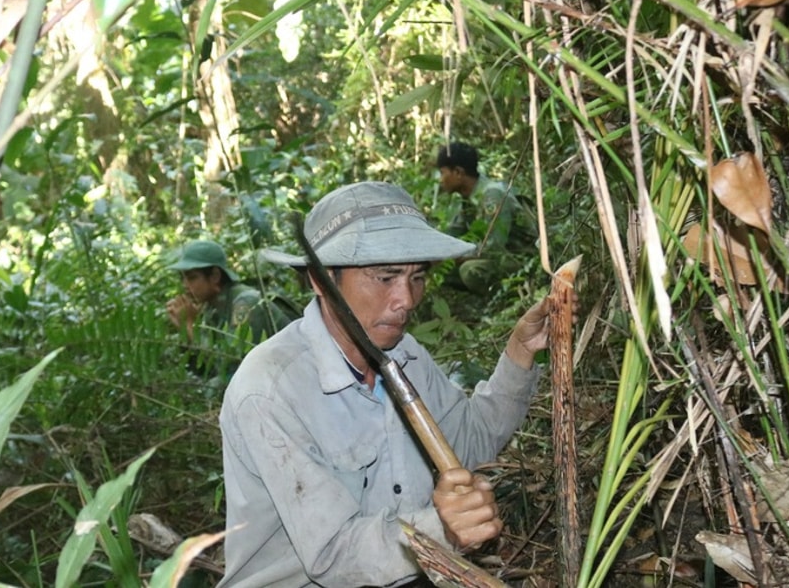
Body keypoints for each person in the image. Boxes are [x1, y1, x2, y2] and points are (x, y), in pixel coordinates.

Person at [217, 181, 556, 587]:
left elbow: (470, 443)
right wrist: (441, 529)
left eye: (417, 278)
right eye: (385, 277)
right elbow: (332, 554)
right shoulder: (270, 390)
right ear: (321, 281)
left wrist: (520, 350)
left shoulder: (405, 356)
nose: (407, 300)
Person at [435, 142, 539, 293]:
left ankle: (508, 294)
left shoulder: (492, 195)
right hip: (499, 258)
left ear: (458, 172)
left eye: (443, 172)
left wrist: (456, 257)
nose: (440, 179)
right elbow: (453, 233)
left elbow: (493, 246)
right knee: (441, 272)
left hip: (520, 258)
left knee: (469, 270)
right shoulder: (467, 199)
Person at [165, 239, 293, 348]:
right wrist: (185, 328)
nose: (185, 285)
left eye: (192, 278)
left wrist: (190, 324)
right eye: (183, 278)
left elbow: (232, 361)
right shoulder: (211, 307)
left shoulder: (245, 302)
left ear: (215, 276)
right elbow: (207, 365)